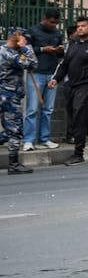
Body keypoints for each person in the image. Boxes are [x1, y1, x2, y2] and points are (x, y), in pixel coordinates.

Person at [47, 16, 88, 166]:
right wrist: (55, 79)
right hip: (72, 85)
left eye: (83, 26)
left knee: (79, 117)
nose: (80, 28)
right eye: (78, 26)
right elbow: (64, 64)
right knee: (78, 119)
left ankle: (79, 154)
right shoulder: (73, 44)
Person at [21, 8, 64, 151]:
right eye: (52, 22)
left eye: (56, 23)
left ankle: (44, 139)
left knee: (48, 109)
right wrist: (42, 49)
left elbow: (61, 54)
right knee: (32, 108)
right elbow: (24, 48)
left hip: (52, 74)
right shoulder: (32, 31)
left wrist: (59, 50)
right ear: (44, 19)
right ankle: (28, 140)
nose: (54, 25)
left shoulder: (58, 33)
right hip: (36, 74)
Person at [2, 29, 36, 174]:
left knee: (9, 130)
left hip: (4, 96)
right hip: (9, 96)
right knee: (15, 130)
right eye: (24, 39)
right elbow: (32, 64)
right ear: (16, 38)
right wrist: (25, 47)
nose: (26, 41)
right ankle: (13, 164)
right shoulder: (11, 55)